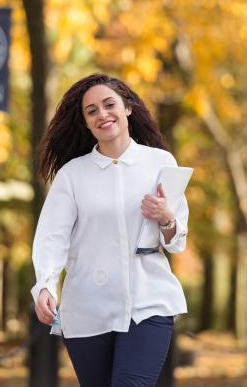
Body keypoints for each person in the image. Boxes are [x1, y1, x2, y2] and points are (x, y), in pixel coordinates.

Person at [31, 73, 189, 386]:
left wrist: (167, 217)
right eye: (92, 111)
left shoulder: (161, 162)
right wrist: (45, 285)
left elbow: (176, 241)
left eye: (109, 105)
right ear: (86, 123)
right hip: (88, 310)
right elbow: (53, 237)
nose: (102, 114)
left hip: (148, 304)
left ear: (127, 108)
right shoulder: (72, 176)